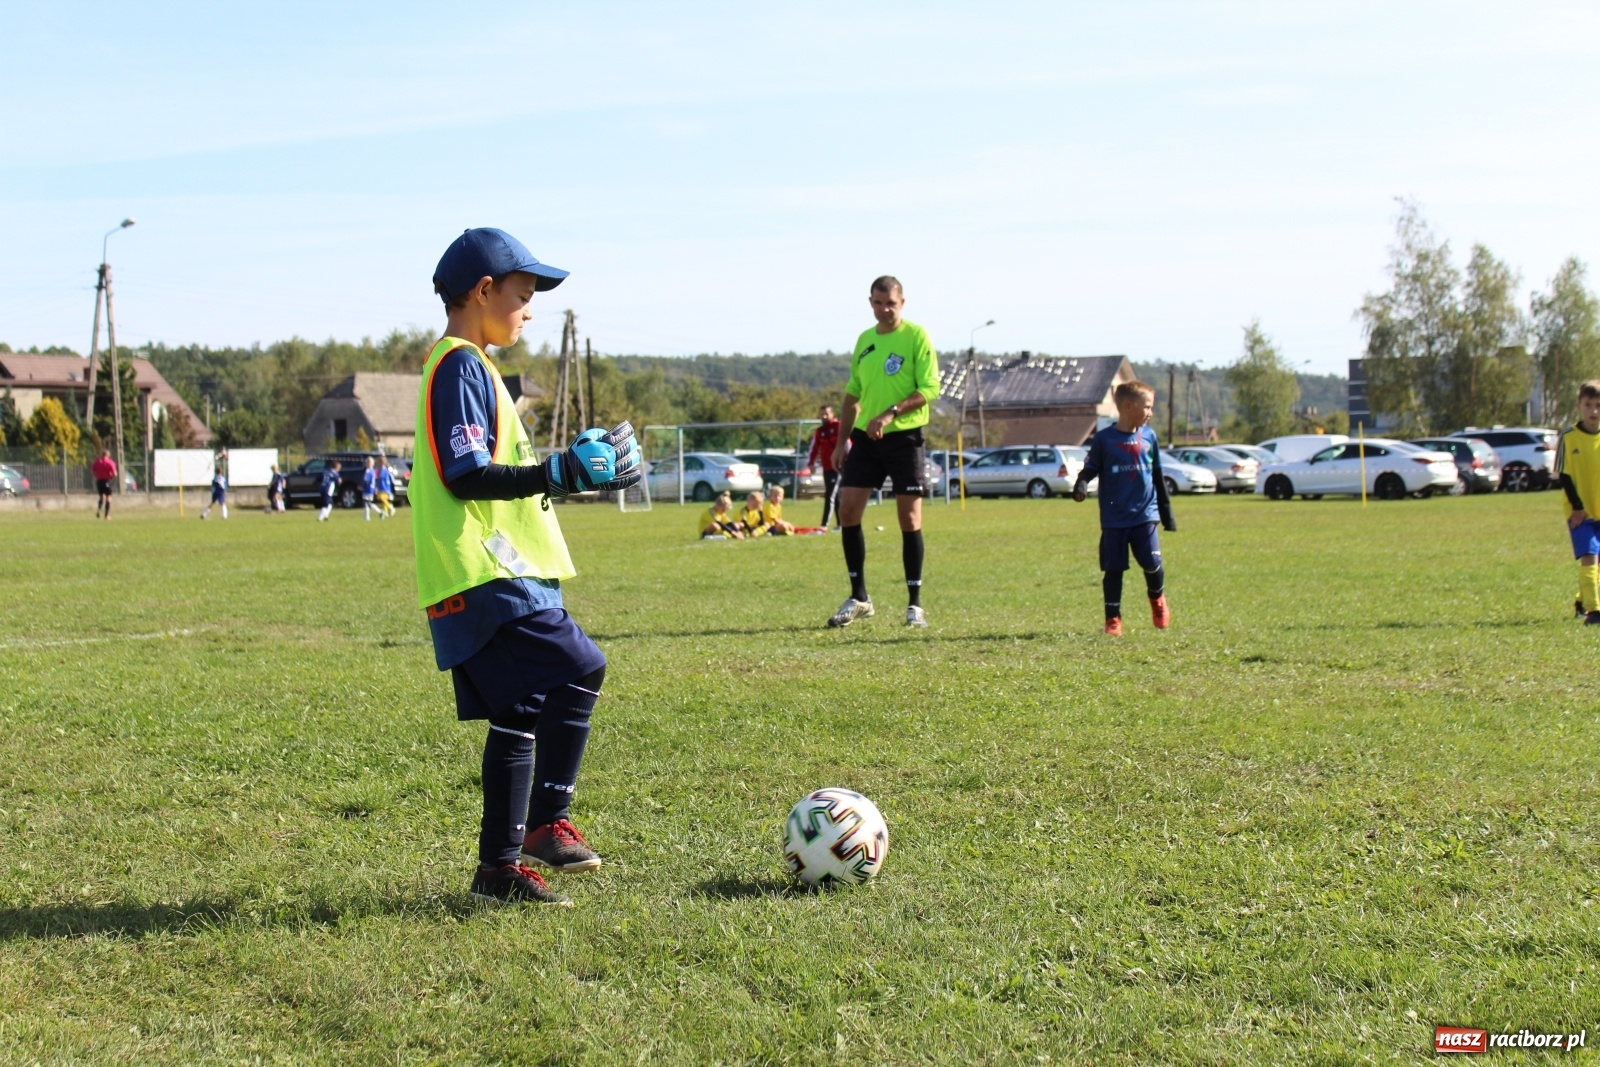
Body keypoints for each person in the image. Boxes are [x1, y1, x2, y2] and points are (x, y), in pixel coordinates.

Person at [414, 226, 640, 907]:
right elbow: (467, 472)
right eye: (521, 294)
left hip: (491, 573)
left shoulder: (469, 366)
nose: (529, 309)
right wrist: (560, 469)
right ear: (483, 291)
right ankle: (546, 822)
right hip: (486, 573)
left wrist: (561, 471)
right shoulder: (459, 365)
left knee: (520, 710)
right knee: (583, 666)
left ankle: (497, 871)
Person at [827, 276, 940, 629]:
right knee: (847, 509)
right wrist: (841, 442)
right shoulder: (865, 340)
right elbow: (852, 395)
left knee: (909, 518)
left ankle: (915, 605)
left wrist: (891, 412)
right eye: (878, 303)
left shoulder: (916, 336)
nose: (884, 309)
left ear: (902, 302)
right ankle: (859, 597)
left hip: (904, 438)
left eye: (890, 303)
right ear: (870, 302)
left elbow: (929, 388)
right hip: (865, 439)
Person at [1072, 381, 1176, 635]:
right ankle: (1113, 619)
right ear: (1129, 407)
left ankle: (1157, 599)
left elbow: (1158, 475)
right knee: (1114, 568)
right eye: (1148, 407)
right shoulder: (1104, 439)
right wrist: (1081, 484)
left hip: (1145, 515)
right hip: (1114, 518)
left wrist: (1167, 514)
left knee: (1151, 562)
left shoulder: (1149, 437)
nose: (1151, 412)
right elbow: (1090, 468)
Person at [1557, 380, 1600, 625]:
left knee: (1598, 561)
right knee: (1589, 556)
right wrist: (1577, 506)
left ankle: (1582, 600)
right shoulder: (1569, 436)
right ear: (1579, 407)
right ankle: (1594, 612)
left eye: (1598, 406)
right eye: (1588, 405)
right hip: (1579, 512)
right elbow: (1563, 473)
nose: (1594, 411)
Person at [808, 404, 843, 528]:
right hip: (827, 467)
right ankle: (841, 524)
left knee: (830, 494)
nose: (824, 416)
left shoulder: (839, 426)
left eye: (826, 414)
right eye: (822, 414)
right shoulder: (819, 431)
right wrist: (811, 463)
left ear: (832, 414)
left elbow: (848, 443)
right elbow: (814, 448)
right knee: (836, 496)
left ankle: (824, 524)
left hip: (838, 467)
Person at [92, 448, 117, 519]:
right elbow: (115, 474)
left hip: (99, 481)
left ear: (102, 455)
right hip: (107, 481)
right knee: (108, 498)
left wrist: (97, 476)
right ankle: (107, 515)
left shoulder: (97, 462)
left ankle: (99, 510)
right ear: (108, 455)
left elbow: (93, 471)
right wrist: (112, 477)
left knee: (101, 497)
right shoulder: (110, 462)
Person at [373, 455, 397, 519]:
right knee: (383, 500)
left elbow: (381, 476)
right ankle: (385, 512)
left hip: (385, 487)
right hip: (380, 487)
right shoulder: (379, 469)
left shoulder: (384, 469)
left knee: (382, 498)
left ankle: (390, 508)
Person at [361, 456, 378, 521]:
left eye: (367, 462)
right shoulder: (373, 471)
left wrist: (362, 486)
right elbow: (374, 480)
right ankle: (379, 512)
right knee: (369, 503)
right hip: (371, 489)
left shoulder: (368, 471)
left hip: (367, 488)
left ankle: (367, 517)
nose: (366, 463)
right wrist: (375, 488)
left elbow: (366, 480)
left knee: (366, 503)